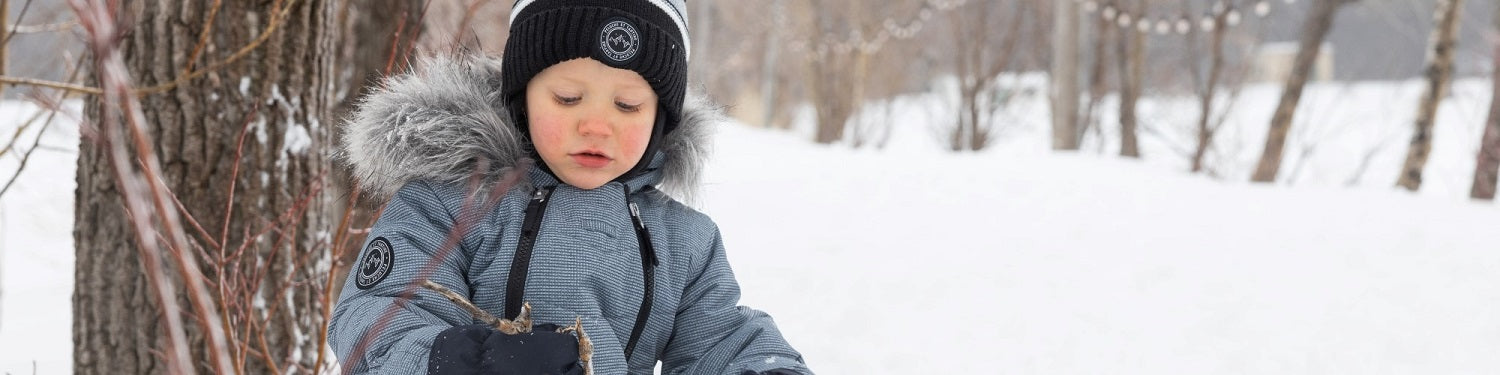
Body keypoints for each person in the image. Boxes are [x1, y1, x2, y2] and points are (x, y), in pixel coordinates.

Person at [327, 0, 811, 374]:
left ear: (662, 119)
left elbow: (722, 340)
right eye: (568, 97)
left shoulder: (684, 243)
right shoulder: (450, 202)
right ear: (522, 98)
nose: (597, 126)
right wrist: (477, 361)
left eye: (627, 106)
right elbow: (375, 317)